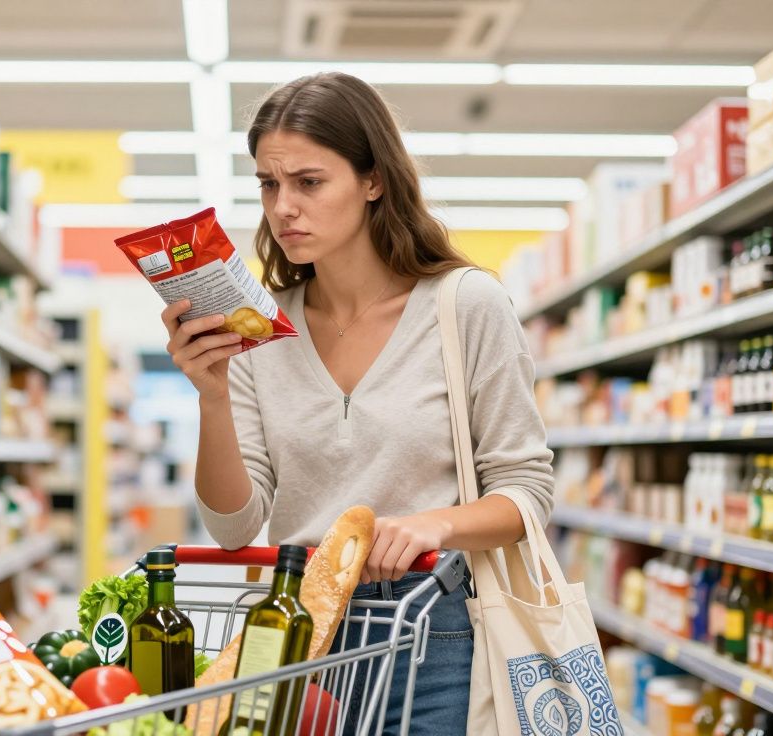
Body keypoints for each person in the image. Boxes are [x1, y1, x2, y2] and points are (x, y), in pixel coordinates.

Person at [160, 72, 555, 734]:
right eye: (267, 184)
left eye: (309, 183)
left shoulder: (464, 307)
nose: (282, 206)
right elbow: (234, 527)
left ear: (374, 180)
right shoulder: (261, 329)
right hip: (294, 633)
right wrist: (213, 395)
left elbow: (527, 495)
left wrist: (434, 524)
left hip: (433, 634)